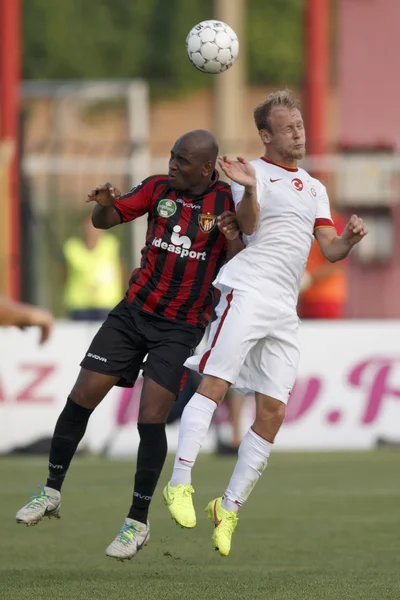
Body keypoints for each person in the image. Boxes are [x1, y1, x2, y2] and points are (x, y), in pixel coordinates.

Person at [15, 129, 239, 562]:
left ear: (206, 168)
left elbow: (240, 256)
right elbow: (109, 219)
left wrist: (232, 235)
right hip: (133, 312)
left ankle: (137, 521)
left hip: (181, 325)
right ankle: (50, 491)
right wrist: (103, 206)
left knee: (150, 416)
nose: (172, 163)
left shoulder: (227, 203)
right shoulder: (157, 188)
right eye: (171, 155)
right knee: (82, 396)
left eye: (181, 159)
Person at [164, 90, 368, 556]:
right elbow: (248, 227)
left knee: (273, 412)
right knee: (213, 384)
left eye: (300, 124)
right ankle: (180, 482)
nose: (299, 132)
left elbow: (330, 249)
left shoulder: (315, 187)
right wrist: (251, 190)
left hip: (283, 307)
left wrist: (351, 240)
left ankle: (228, 507)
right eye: (289, 127)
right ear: (266, 135)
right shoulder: (247, 172)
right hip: (248, 290)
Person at [63, 215, 124, 321]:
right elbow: (63, 275)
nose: (91, 230)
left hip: (107, 304)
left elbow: (121, 270)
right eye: (88, 226)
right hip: (79, 305)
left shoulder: (111, 245)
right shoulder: (72, 247)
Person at [298, 208, 348, 319]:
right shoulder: (301, 219)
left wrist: (310, 278)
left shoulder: (332, 220)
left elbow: (337, 263)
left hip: (326, 298)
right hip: (305, 298)